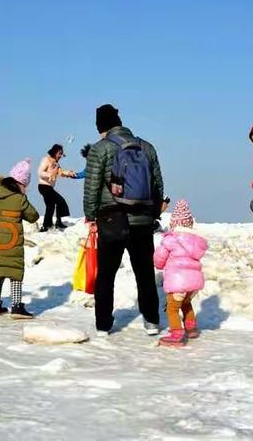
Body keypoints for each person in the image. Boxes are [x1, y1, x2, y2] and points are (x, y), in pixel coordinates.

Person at [84, 104, 164, 336]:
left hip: (111, 218)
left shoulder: (100, 149)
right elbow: (157, 183)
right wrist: (153, 213)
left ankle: (103, 324)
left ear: (102, 127)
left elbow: (92, 186)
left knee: (106, 274)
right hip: (142, 219)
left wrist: (90, 215)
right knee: (145, 272)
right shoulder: (146, 147)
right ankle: (151, 321)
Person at [0, 159, 40, 319]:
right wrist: (23, 199)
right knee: (15, 274)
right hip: (12, 245)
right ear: (21, 184)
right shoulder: (19, 199)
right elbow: (33, 216)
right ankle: (17, 307)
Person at [154, 200, 208, 347]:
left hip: (178, 282)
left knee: (172, 308)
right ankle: (191, 327)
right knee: (186, 303)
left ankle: (176, 333)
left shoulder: (170, 240)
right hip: (194, 283)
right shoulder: (197, 241)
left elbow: (159, 259)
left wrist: (159, 265)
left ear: (174, 224)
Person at [37, 144, 75, 231]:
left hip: (49, 188)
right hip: (43, 186)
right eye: (60, 153)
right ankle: (54, 223)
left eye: (62, 154)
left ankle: (48, 225)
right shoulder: (46, 160)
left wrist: (69, 173)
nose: (61, 156)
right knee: (60, 201)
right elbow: (40, 172)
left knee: (50, 205)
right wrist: (49, 175)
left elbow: (61, 172)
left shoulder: (56, 163)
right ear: (55, 152)